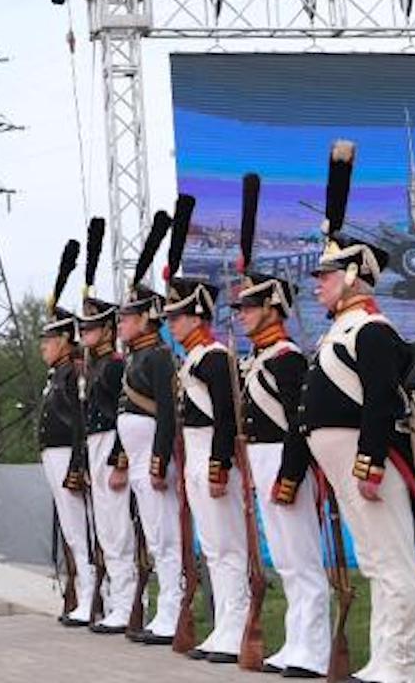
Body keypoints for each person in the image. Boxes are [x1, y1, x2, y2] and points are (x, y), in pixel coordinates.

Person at [302, 229, 415, 683]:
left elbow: (379, 401)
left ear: (353, 276)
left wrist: (370, 461)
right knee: (375, 562)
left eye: (326, 276)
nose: (317, 284)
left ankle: (400, 665)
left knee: (393, 564)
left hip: (372, 463)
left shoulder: (372, 329)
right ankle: (383, 660)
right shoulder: (344, 328)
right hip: (349, 464)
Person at [233, 270, 330, 679]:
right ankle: (296, 642)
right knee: (286, 562)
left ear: (273, 309)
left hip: (285, 462)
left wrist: (289, 475)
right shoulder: (258, 358)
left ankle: (316, 650)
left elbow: (299, 423)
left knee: (304, 560)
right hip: (262, 459)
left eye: (250, 307)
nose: (242, 315)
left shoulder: (287, 358)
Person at [163, 272, 247, 665]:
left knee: (228, 547)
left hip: (213, 455)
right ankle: (225, 625)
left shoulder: (215, 358)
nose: (171, 324)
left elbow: (226, 418)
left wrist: (218, 466)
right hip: (195, 455)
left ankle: (238, 624)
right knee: (213, 548)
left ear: (197, 315)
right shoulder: (193, 359)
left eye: (177, 316)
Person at [116, 268, 182, 646]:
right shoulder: (136, 358)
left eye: (127, 317)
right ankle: (165, 608)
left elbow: (167, 414)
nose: (121, 324)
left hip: (152, 463)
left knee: (166, 538)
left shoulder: (157, 357)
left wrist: (158, 462)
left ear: (146, 319)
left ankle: (173, 610)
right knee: (155, 540)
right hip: (138, 461)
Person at [75, 298, 137, 635]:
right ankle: (115, 597)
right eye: (83, 328)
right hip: (95, 444)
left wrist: (118, 460)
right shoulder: (93, 365)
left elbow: (121, 415)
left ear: (107, 331)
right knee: (105, 529)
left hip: (112, 442)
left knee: (118, 527)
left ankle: (127, 602)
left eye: (91, 327)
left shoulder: (114, 365)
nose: (85, 333)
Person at [36, 305, 92, 628]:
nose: (44, 345)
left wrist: (75, 464)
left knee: (79, 529)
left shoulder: (72, 372)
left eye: (50, 339)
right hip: (54, 455)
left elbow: (78, 424)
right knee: (71, 531)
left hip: (65, 454)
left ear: (65, 340)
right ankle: (83, 592)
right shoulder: (59, 373)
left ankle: (90, 595)